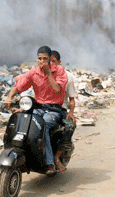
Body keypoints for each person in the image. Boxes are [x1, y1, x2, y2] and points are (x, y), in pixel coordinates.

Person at [5, 46, 68, 176]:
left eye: (45, 59)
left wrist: (48, 73)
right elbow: (20, 86)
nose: (42, 61)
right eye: (39, 59)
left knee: (42, 125)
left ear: (50, 60)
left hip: (54, 110)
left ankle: (49, 163)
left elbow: (57, 89)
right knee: (20, 120)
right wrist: (10, 96)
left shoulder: (60, 71)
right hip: (38, 107)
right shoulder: (33, 72)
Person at [50, 50, 77, 172]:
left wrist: (70, 113)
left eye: (53, 61)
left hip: (60, 108)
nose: (50, 63)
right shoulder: (42, 73)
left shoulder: (68, 76)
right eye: (47, 60)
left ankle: (57, 156)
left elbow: (71, 99)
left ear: (59, 62)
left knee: (69, 126)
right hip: (42, 107)